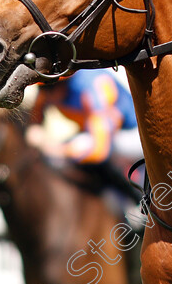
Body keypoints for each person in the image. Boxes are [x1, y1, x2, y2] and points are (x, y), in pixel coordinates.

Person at [27, 70, 142, 199]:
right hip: (96, 133)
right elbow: (35, 120)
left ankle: (138, 200)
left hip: (133, 135)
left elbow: (100, 151)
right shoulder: (48, 91)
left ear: (64, 83)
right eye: (41, 89)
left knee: (82, 144)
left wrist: (58, 150)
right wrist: (35, 130)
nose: (45, 95)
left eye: (49, 88)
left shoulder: (91, 88)